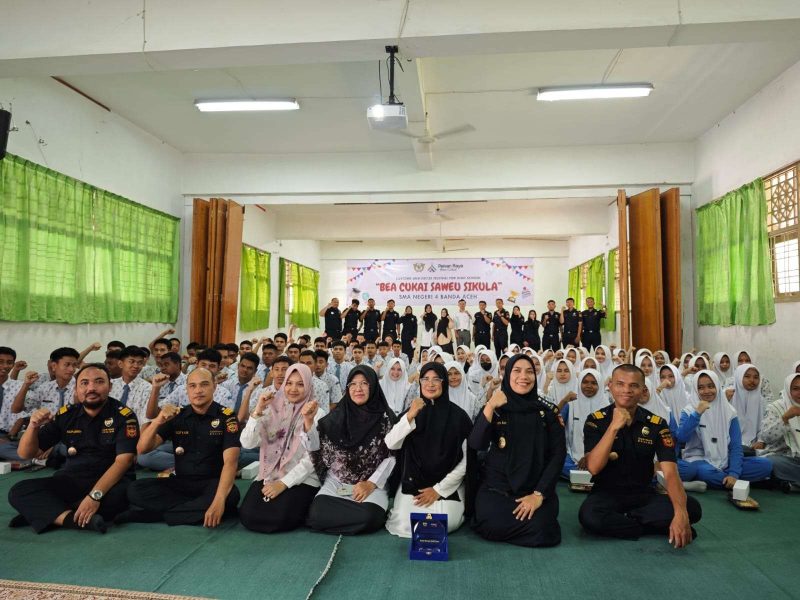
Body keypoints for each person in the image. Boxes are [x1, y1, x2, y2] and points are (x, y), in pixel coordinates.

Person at [8, 363, 139, 533]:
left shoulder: (124, 416)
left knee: (117, 501)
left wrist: (94, 496)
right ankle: (70, 519)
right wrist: (33, 426)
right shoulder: (66, 415)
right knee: (18, 491)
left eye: (99, 381)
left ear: (110, 386)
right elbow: (25, 453)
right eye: (84, 383)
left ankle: (47, 513)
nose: (91, 388)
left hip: (110, 482)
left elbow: (124, 461)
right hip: (73, 478)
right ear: (76, 389)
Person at [578, 364, 701, 545]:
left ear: (643, 390)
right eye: (620, 384)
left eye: (634, 386)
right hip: (607, 494)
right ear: (610, 386)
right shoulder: (595, 420)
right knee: (589, 516)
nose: (626, 390)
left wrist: (681, 513)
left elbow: (670, 472)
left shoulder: (657, 424)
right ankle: (651, 525)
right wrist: (613, 427)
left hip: (643, 495)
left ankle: (627, 521)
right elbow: (594, 468)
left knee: (692, 508)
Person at [120, 368, 241, 527]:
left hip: (213, 484)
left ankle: (157, 515)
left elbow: (231, 462)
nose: (198, 390)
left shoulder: (227, 417)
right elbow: (142, 449)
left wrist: (219, 500)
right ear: (187, 389)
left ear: (215, 386)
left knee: (231, 496)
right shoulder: (178, 415)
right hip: (181, 483)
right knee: (135, 489)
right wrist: (158, 421)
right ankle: (193, 510)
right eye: (192, 386)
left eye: (204, 385)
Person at [469, 354, 566, 547]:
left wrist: (538, 495)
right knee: (490, 524)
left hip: (534, 491)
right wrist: (489, 405)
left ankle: (520, 524)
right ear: (506, 375)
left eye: (530, 372)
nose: (524, 376)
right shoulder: (496, 408)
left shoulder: (547, 413)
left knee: (545, 531)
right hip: (498, 490)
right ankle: (520, 527)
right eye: (517, 371)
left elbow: (557, 455)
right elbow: (476, 443)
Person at [304, 366, 397, 535]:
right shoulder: (336, 416)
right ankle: (346, 519)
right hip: (337, 482)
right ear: (347, 388)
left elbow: (391, 457)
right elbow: (317, 449)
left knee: (370, 517)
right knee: (316, 514)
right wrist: (309, 422)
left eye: (364, 383)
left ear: (373, 386)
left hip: (372, 484)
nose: (358, 389)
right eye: (353, 384)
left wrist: (370, 484)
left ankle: (337, 520)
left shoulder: (386, 418)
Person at [384, 363, 473, 537]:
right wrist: (410, 416)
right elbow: (391, 443)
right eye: (425, 379)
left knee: (444, 522)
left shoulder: (458, 417)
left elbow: (466, 461)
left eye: (436, 379)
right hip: (414, 480)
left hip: (448, 484)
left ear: (444, 383)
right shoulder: (412, 413)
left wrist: (438, 490)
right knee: (405, 523)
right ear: (420, 382)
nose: (430, 384)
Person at [239, 364, 323, 533]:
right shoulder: (272, 408)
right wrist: (258, 411)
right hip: (270, 472)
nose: (293, 389)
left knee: (279, 518)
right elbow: (247, 443)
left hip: (302, 478)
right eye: (289, 383)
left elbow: (312, 459)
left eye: (300, 384)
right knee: (248, 515)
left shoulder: (318, 413)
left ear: (308, 385)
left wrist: (283, 484)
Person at [677, 370, 772, 490]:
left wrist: (734, 473)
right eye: (701, 387)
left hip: (725, 459)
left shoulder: (729, 411)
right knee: (704, 472)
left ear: (717, 386)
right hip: (699, 459)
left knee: (765, 465)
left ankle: (727, 480)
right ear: (695, 390)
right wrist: (697, 414)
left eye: (711, 386)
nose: (706, 391)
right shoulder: (689, 411)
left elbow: (735, 446)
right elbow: (681, 437)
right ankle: (737, 483)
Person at [561, 369, 610, 478]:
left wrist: (590, 456)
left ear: (600, 385)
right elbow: (555, 425)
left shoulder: (608, 409)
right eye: (585, 382)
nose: (589, 386)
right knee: (559, 462)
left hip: (602, 456)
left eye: (594, 383)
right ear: (579, 384)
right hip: (573, 455)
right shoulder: (571, 406)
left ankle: (585, 474)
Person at [761, 373, 800, 491]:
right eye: (795, 389)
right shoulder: (775, 407)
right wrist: (785, 418)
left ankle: (793, 485)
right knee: (771, 463)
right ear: (788, 389)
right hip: (784, 457)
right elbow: (766, 436)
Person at [730, 363, 769, 455]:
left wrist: (761, 441)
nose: (752, 380)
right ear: (739, 378)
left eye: (756, 377)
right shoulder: (729, 397)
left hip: (754, 445)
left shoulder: (762, 401)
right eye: (747, 376)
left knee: (767, 463)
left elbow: (766, 425)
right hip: (730, 443)